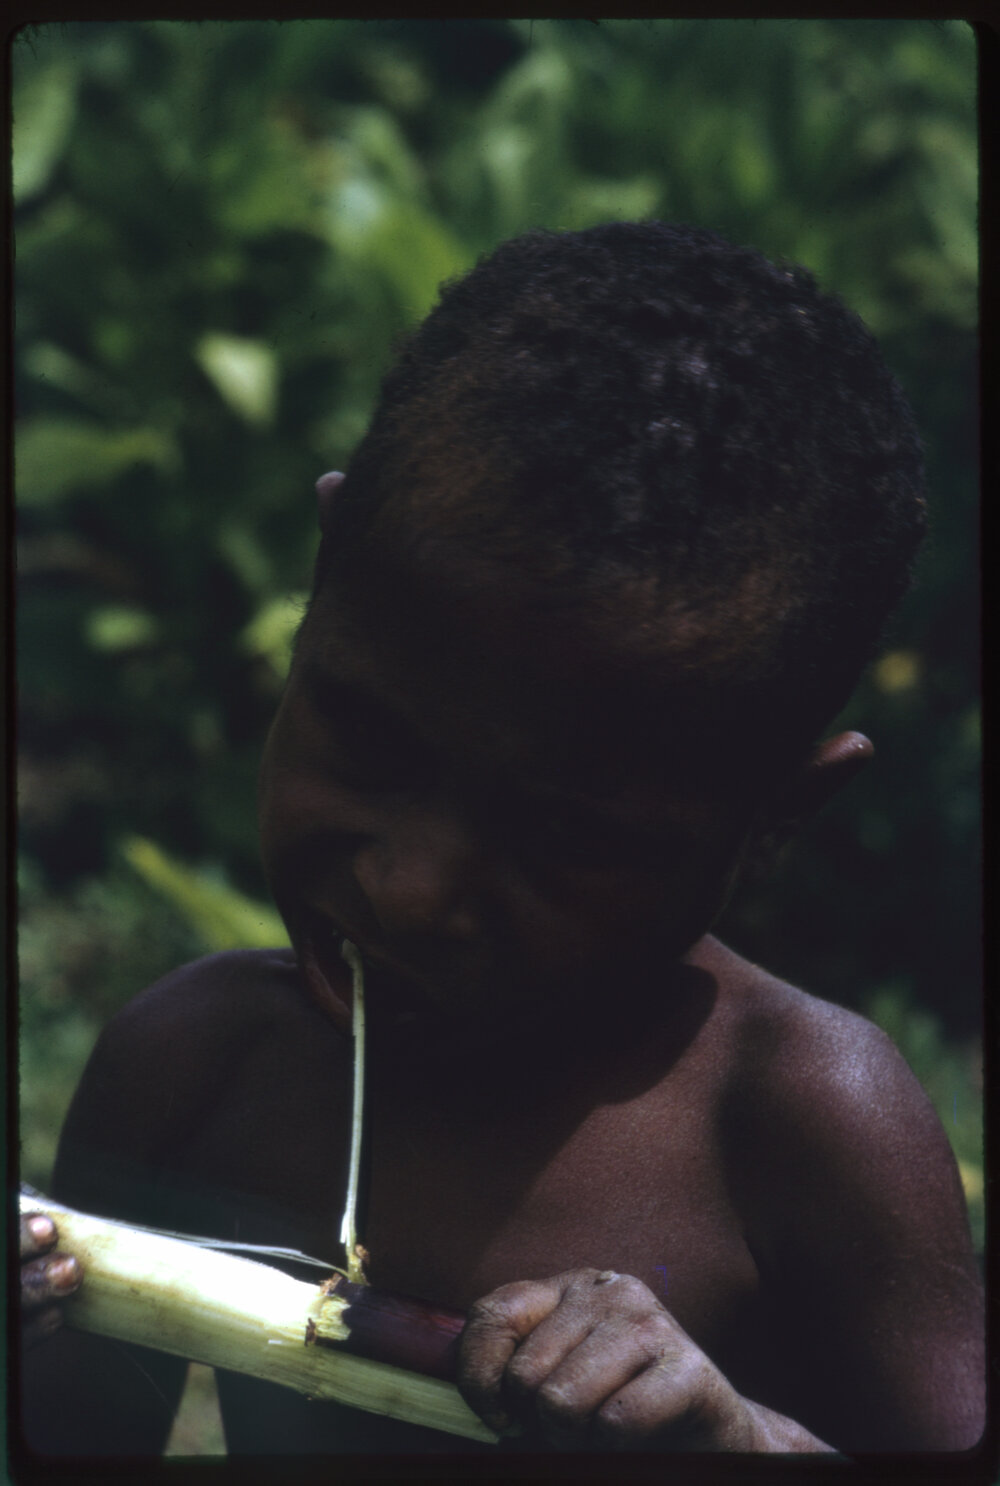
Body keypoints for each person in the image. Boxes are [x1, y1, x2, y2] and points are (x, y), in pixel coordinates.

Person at [19, 222, 984, 1460]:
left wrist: (744, 1442)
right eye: (368, 737)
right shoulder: (193, 1074)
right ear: (325, 569)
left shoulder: (798, 1124)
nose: (413, 890)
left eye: (562, 833)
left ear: (772, 821)